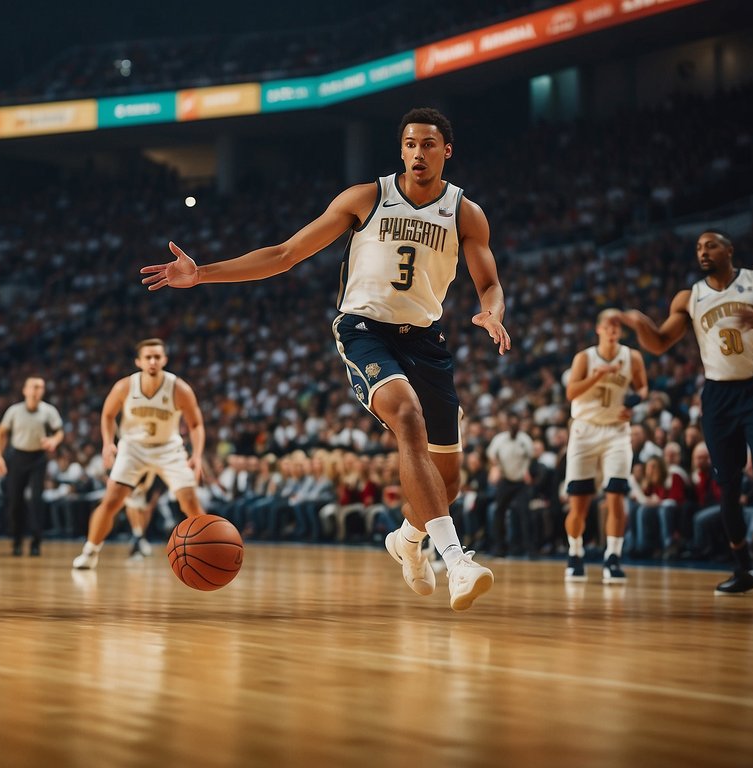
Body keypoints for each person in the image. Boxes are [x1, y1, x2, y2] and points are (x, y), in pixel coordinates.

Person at [140, 107, 505, 610]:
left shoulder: (466, 212)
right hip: (365, 330)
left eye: (429, 144)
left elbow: (487, 281)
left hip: (426, 339)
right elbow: (285, 254)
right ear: (401, 150)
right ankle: (457, 563)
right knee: (406, 417)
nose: (419, 152)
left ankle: (408, 540)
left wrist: (491, 312)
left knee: (449, 482)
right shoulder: (367, 198)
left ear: (447, 151)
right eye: (410, 144)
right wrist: (202, 273)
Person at [621, 230, 753, 602]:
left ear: (729, 250)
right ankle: (742, 569)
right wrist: (640, 324)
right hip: (719, 393)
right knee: (728, 482)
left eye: (711, 245)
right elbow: (659, 342)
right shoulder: (690, 297)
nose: (703, 252)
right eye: (699, 248)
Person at [72, 338, 206, 570]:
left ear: (164, 359)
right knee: (112, 500)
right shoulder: (125, 386)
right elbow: (107, 415)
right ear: (139, 361)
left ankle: (208, 553)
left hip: (168, 448)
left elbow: (196, 425)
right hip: (133, 448)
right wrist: (107, 443)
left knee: (190, 502)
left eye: (157, 356)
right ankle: (90, 551)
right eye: (148, 357)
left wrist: (197, 455)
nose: (153, 361)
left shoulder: (179, 388)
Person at [562, 308, 648, 583]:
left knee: (616, 496)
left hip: (616, 431)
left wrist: (632, 404)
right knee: (580, 504)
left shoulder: (632, 356)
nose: (613, 330)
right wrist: (598, 375)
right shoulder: (584, 358)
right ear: (598, 329)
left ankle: (613, 556)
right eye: (608, 325)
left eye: (616, 326)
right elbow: (571, 392)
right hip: (584, 430)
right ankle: (575, 553)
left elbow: (643, 388)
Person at [0, 375, 64, 556]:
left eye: (40, 387)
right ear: (24, 390)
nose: (36, 390)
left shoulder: (48, 411)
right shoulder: (14, 411)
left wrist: (53, 440)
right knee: (14, 500)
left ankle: (36, 542)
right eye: (33, 386)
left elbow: (59, 431)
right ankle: (16, 541)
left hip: (38, 458)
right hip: (17, 456)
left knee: (36, 500)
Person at [485, 413, 534, 557]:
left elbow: (530, 457)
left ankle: (529, 549)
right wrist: (496, 467)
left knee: (525, 513)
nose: (513, 426)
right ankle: (499, 548)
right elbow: (491, 455)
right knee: (499, 512)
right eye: (511, 424)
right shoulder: (499, 439)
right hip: (505, 480)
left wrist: (527, 470)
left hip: (520, 482)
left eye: (515, 424)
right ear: (507, 425)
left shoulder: (525, 440)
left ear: (519, 425)